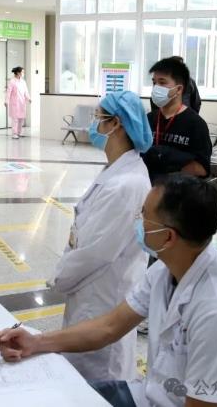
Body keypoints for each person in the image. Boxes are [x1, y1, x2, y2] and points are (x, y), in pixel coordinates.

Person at [0, 174, 217, 407]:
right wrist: (36, 342)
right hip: (156, 395)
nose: (137, 222)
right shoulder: (166, 269)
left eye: (144, 216)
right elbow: (109, 327)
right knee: (55, 396)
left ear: (169, 236)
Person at [49, 91, 152, 381]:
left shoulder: (126, 184)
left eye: (98, 118)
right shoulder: (118, 170)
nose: (93, 124)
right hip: (93, 293)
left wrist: (60, 277)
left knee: (99, 379)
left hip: (102, 298)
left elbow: (94, 252)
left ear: (116, 124)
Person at [142, 57, 212, 182]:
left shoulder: (196, 124)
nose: (156, 88)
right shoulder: (148, 119)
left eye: (162, 82)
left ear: (179, 89)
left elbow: (202, 169)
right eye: (154, 82)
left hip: (179, 190)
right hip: (149, 188)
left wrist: (171, 159)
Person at [5, 66, 30, 139]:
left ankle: (19, 133)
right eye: (22, 72)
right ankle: (14, 133)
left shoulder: (23, 81)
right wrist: (6, 101)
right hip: (15, 103)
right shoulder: (12, 81)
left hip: (22, 103)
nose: (23, 73)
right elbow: (8, 92)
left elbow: (26, 91)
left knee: (21, 119)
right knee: (15, 119)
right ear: (18, 73)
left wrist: (29, 98)